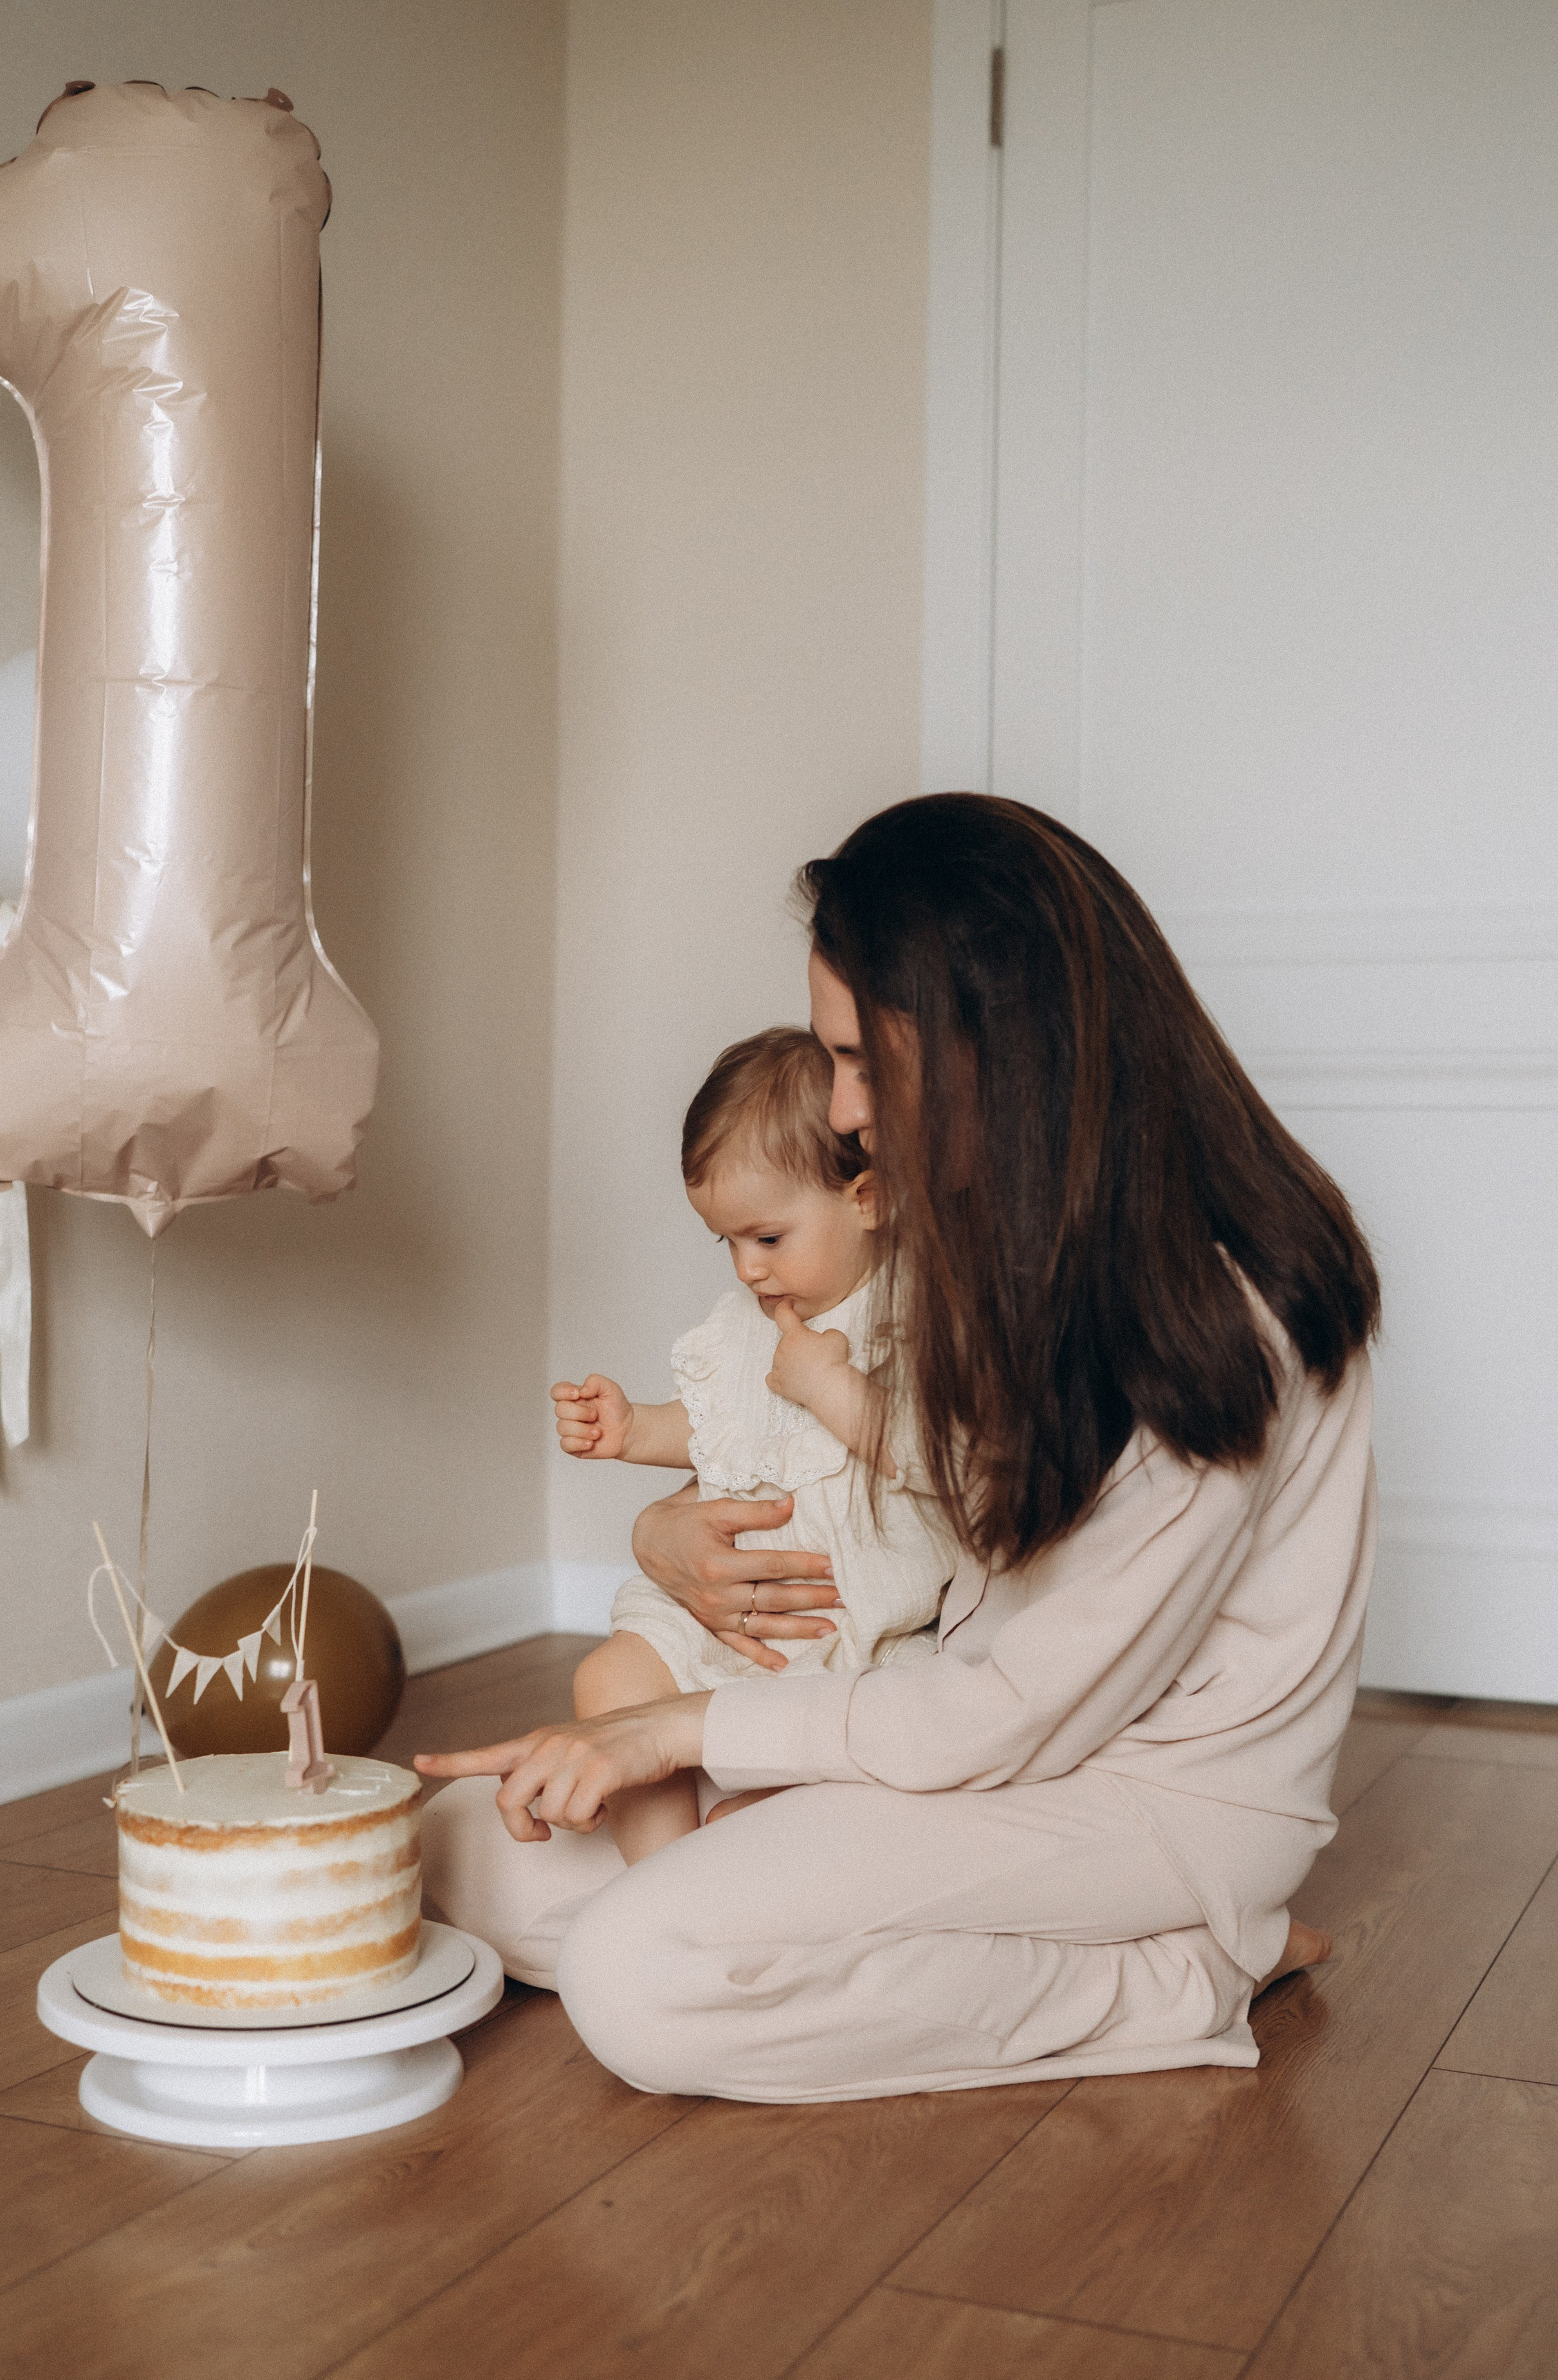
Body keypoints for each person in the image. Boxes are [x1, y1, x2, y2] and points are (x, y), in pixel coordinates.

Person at [418, 794, 1378, 2100]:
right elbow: (904, 1518)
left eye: (863, 1062)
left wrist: (678, 1730)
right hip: (954, 1726)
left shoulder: (1216, 1322)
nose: (845, 1111)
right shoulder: (988, 1236)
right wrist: (665, 1538)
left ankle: (1185, 1970)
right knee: (443, 1851)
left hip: (1129, 1802)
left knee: (635, 1979)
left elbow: (1011, 1711)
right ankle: (812, 1940)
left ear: (999, 1042)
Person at [550, 1026, 956, 1864]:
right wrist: (634, 1430)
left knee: (770, 1817)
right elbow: (720, 1426)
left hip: (847, 1639)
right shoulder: (745, 1323)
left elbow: (950, 1462)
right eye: (725, 1242)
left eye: (767, 1238)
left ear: (869, 1198)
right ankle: (659, 1889)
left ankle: (726, 1881)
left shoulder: (915, 1316)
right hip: (722, 1619)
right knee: (607, 1681)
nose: (746, 1269)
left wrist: (835, 1391)